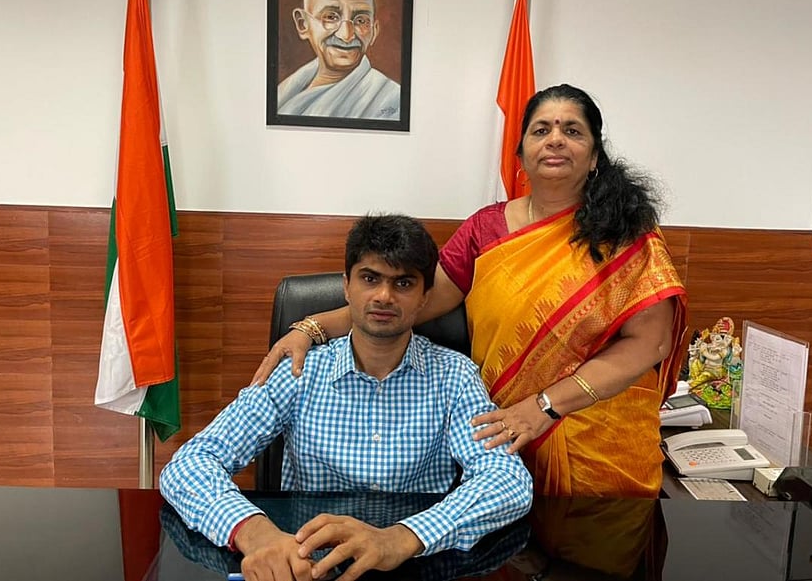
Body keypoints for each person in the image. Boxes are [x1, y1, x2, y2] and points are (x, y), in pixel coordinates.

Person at [255, 84, 688, 499]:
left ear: (594, 157)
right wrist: (311, 328)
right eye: (541, 130)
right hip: (502, 438)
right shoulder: (486, 229)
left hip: (601, 445)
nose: (555, 140)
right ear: (520, 154)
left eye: (572, 131)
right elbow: (405, 304)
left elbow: (652, 341)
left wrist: (546, 406)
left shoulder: (627, 234)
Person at [161, 214, 533, 581]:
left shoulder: (455, 376)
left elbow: (507, 481)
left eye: (403, 283)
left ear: (424, 299)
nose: (384, 296)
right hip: (306, 563)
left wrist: (403, 537)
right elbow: (190, 463)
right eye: (370, 279)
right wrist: (258, 536)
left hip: (416, 564)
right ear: (346, 287)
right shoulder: (299, 371)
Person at [277, 0, 401, 120]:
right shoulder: (285, 90)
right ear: (303, 24)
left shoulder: (392, 101)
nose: (346, 35)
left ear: (373, 31)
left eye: (361, 20)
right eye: (331, 17)